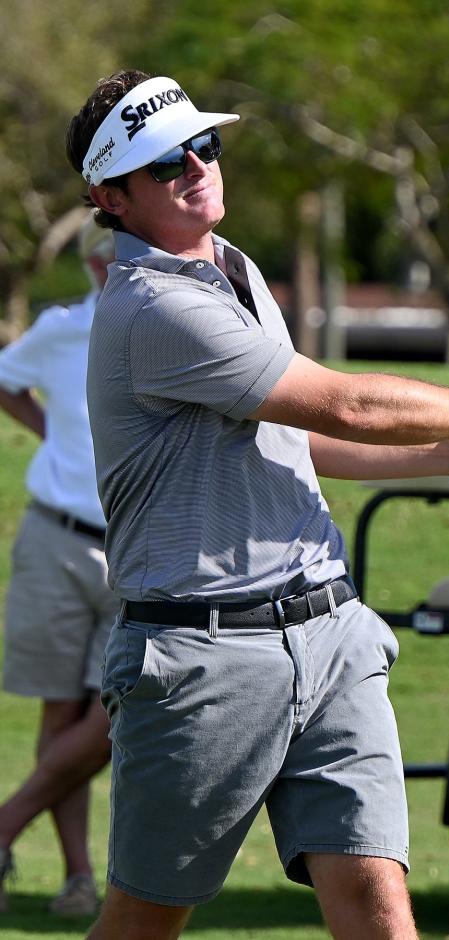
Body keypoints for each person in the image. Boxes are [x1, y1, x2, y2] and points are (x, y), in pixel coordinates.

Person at [65, 69, 449, 940]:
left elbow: (301, 441)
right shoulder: (152, 307)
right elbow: (343, 403)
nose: (198, 165)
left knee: (378, 907)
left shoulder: (233, 273)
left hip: (331, 634)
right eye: (167, 163)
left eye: (205, 145)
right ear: (111, 197)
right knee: (144, 923)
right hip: (204, 657)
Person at [0, 218, 118, 916]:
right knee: (59, 714)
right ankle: (78, 880)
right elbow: (4, 379)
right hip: (55, 540)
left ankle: (6, 824)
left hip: (133, 547)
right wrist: (48, 434)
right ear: (100, 266)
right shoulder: (63, 327)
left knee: (114, 715)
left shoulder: (157, 329)